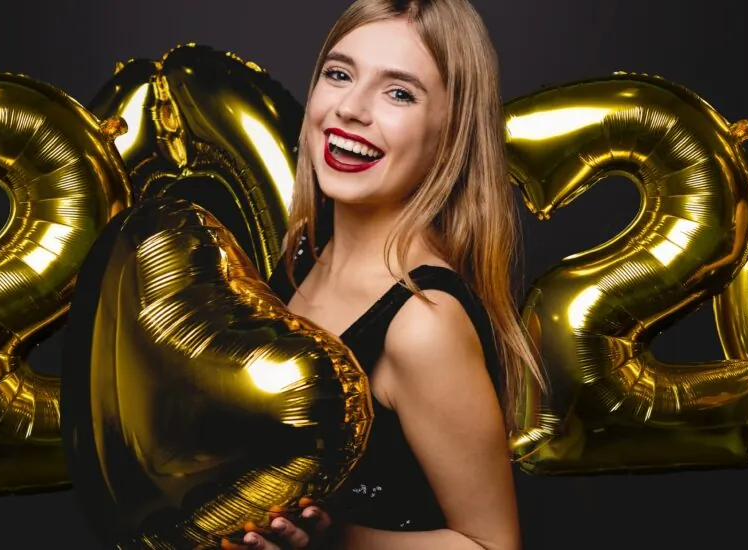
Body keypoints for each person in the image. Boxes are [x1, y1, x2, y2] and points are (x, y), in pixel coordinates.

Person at [230, 1, 544, 548]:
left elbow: (492, 545)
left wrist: (337, 543)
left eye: (399, 92)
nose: (350, 108)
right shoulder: (294, 263)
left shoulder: (423, 322)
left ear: (451, 131)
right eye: (339, 73)